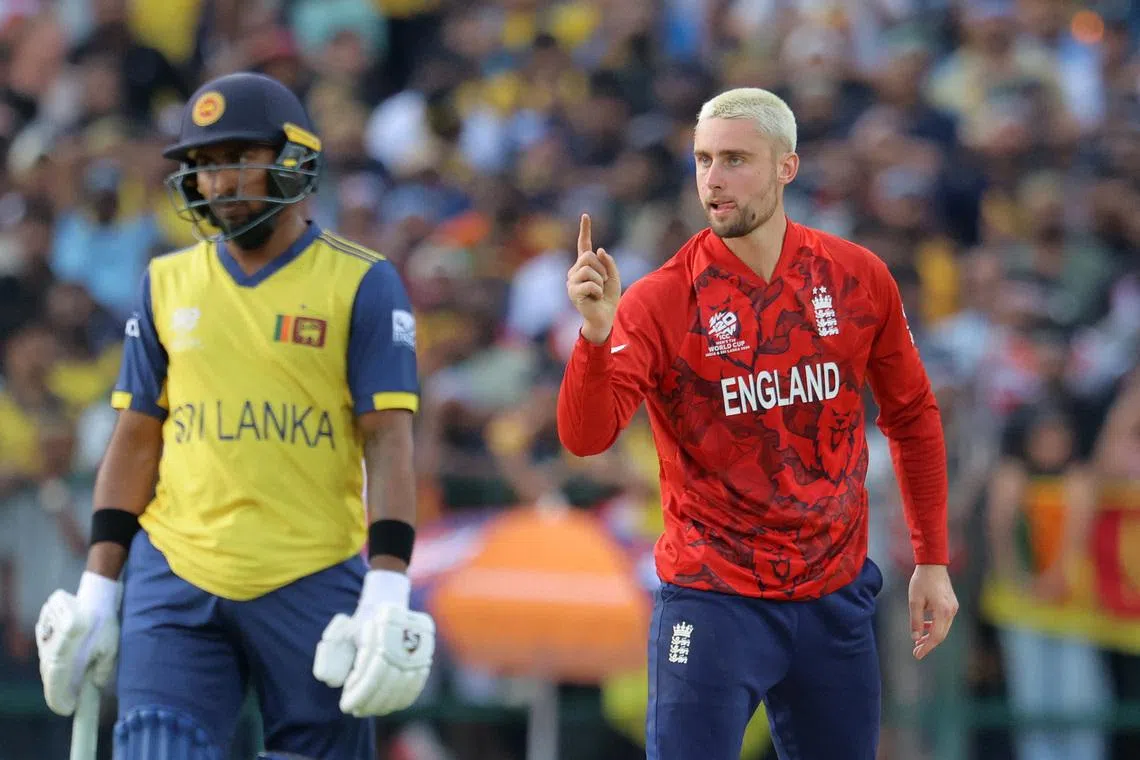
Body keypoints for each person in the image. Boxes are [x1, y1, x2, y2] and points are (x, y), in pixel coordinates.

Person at [33, 71, 435, 760]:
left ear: (292, 159)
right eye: (204, 165)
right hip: (176, 571)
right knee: (157, 746)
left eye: (237, 158)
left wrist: (389, 581)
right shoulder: (164, 282)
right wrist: (99, 586)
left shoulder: (363, 282)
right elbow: (135, 440)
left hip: (310, 571)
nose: (218, 183)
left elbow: (390, 444)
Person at [557, 87, 959, 760]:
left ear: (786, 167)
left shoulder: (857, 277)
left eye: (735, 159)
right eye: (702, 159)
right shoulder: (660, 300)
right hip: (714, 597)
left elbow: (913, 418)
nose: (712, 179)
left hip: (835, 593)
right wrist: (596, 338)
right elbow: (584, 437)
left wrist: (933, 561)